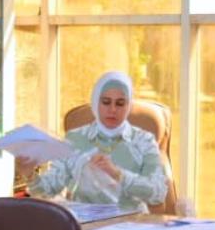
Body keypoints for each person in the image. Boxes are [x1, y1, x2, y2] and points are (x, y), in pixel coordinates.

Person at [22, 71, 168, 212]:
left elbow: (158, 193)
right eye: (106, 102)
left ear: (128, 106)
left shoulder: (144, 141)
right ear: (96, 102)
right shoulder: (74, 139)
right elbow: (48, 190)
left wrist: (118, 175)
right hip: (84, 222)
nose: (112, 109)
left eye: (120, 103)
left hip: (130, 223)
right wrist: (29, 174)